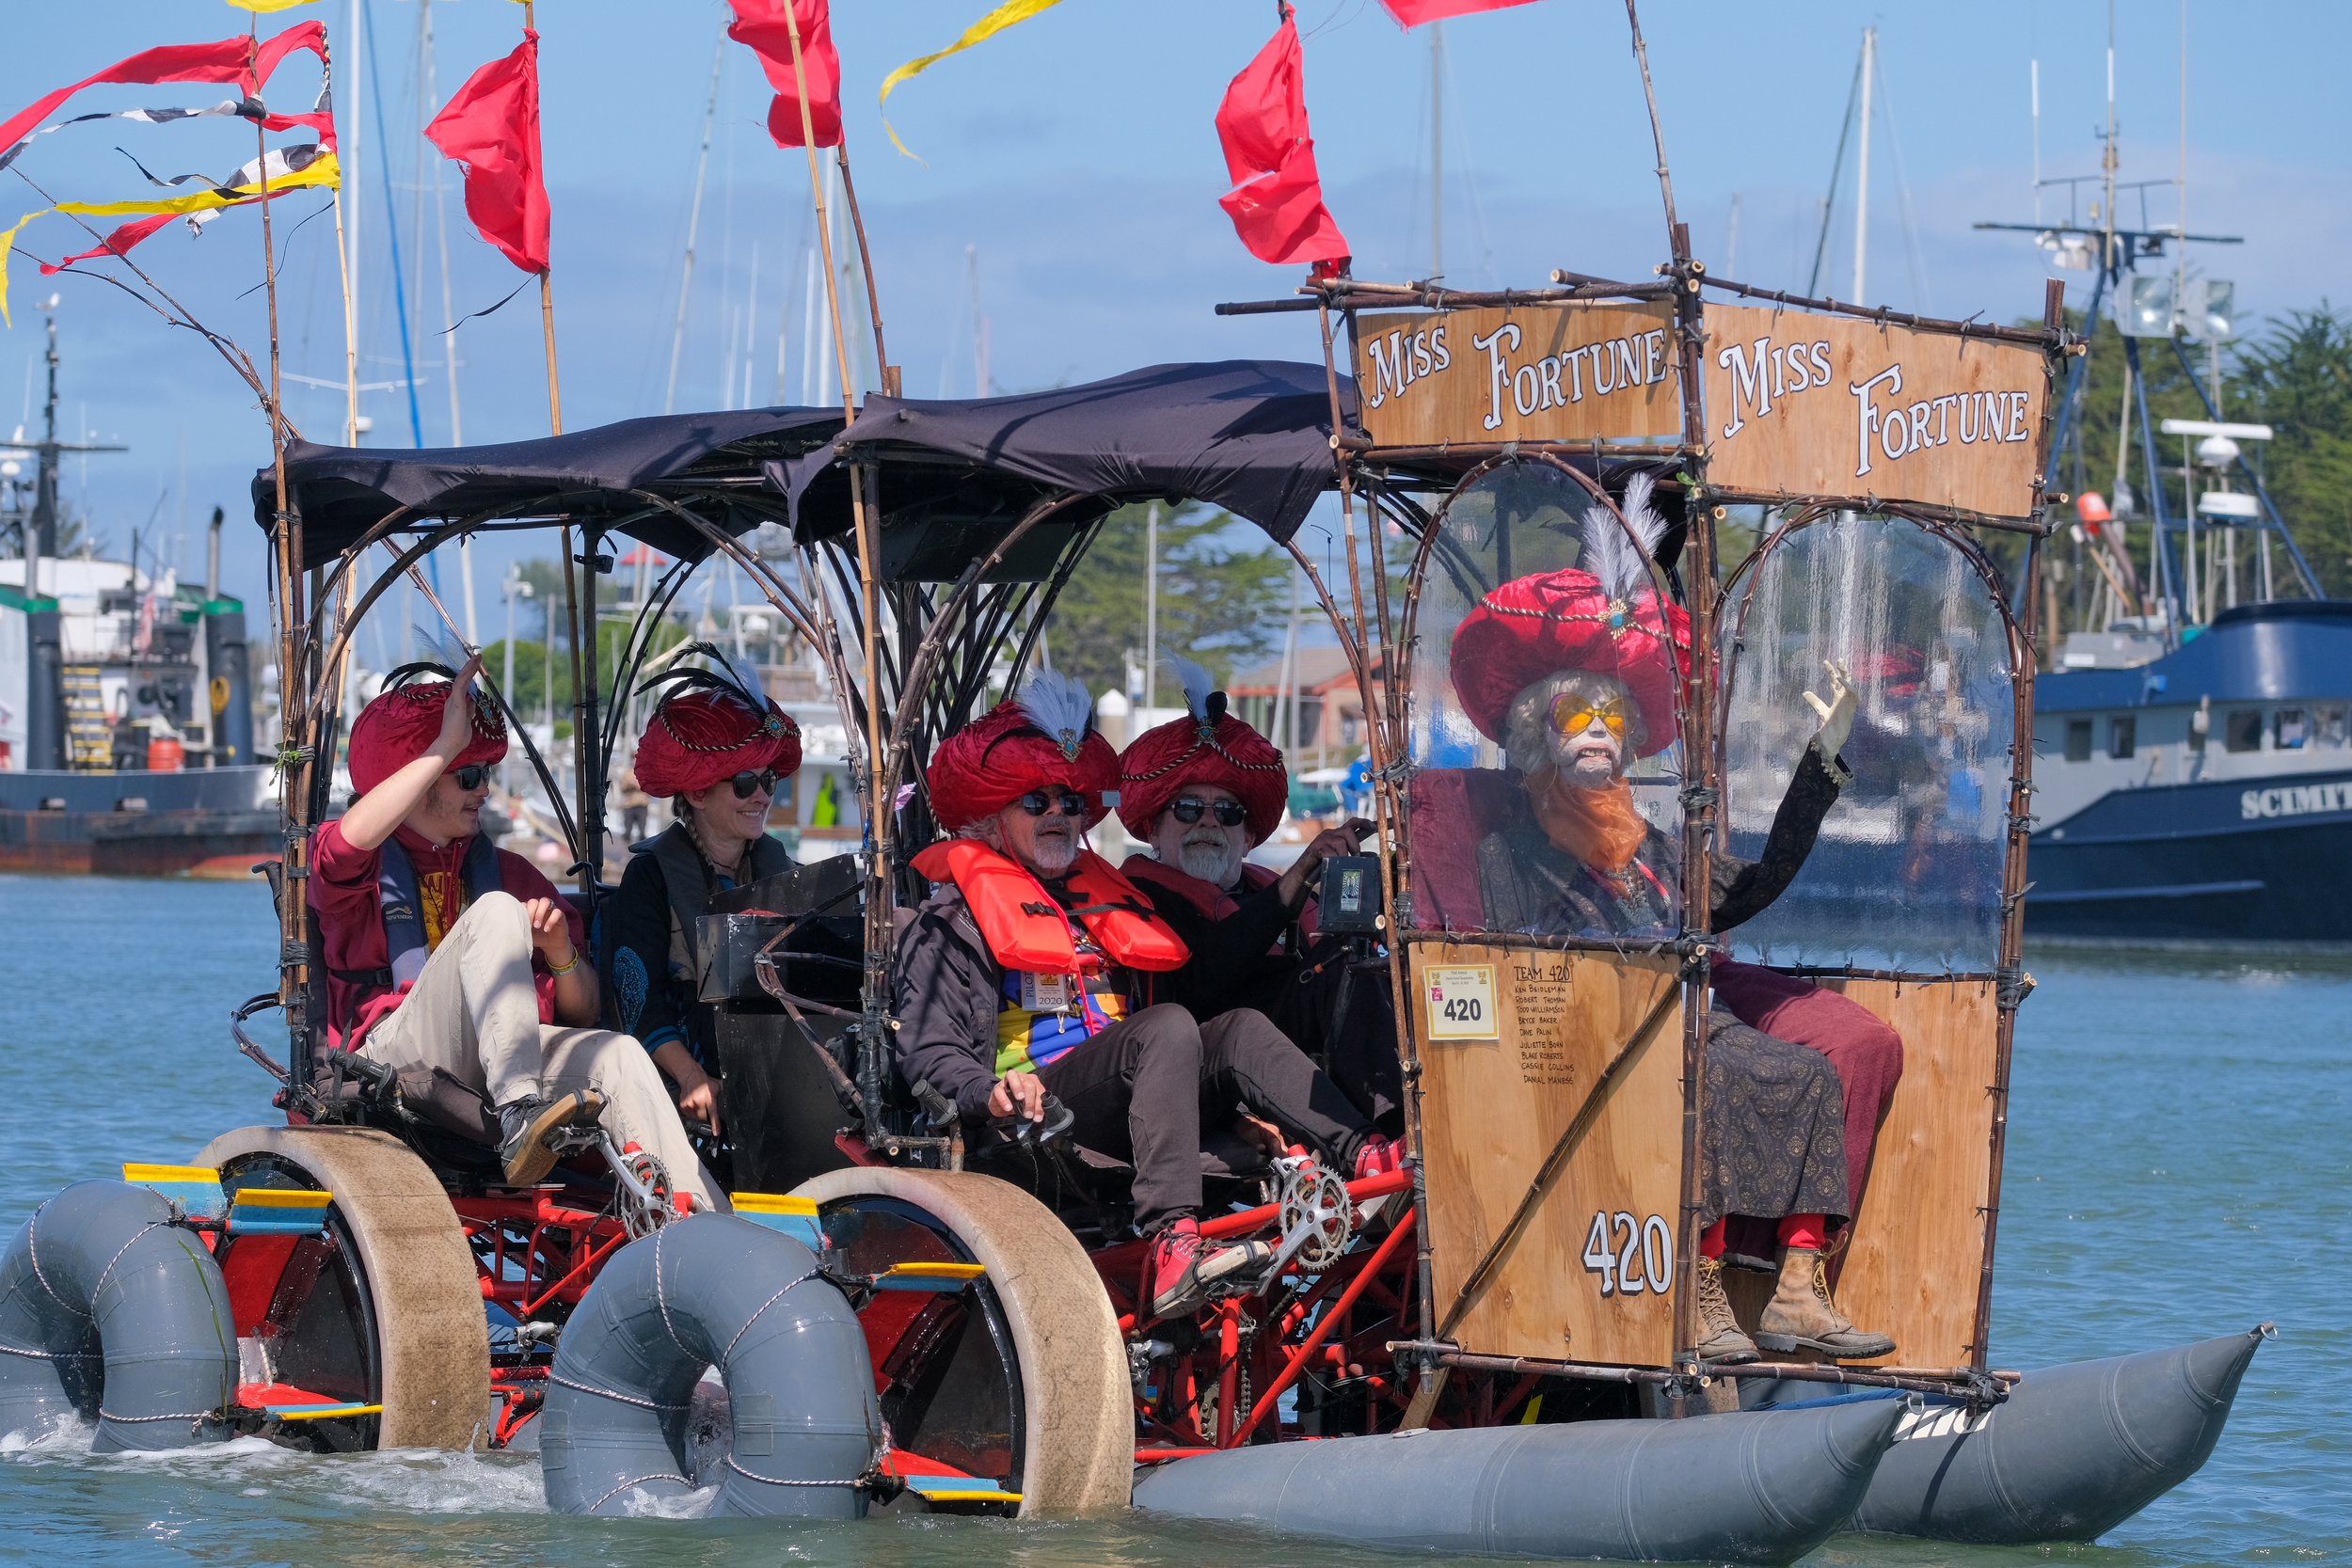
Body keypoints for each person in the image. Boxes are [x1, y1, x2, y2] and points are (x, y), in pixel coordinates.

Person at [1449, 475, 1900, 1362]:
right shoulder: (1514, 848)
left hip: (1686, 1018)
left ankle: (1797, 1291)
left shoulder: (1649, 844)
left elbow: (1755, 884)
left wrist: (1823, 760)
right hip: (1594, 1030)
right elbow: (1521, 958)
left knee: (1803, 1071)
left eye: (1610, 720)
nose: (1598, 734)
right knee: (1712, 1077)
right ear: (1542, 734)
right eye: (1577, 719)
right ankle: (1695, 1286)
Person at [893, 671, 1402, 1323]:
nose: (1059, 815)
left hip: (1130, 1095)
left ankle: (1367, 1157)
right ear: (993, 818)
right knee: (1166, 1024)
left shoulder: (1109, 903)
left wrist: (1238, 1114)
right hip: (1036, 1110)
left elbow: (1195, 1003)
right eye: (1037, 801)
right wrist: (987, 1089)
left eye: (1070, 802)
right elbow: (930, 1053)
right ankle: (1171, 1236)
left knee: (1237, 1025)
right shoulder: (953, 918)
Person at [310, 657, 717, 1208]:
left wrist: (561, 956)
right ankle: (521, 1113)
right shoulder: (361, 873)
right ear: (423, 774)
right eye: (469, 775)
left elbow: (581, 1011)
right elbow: (340, 849)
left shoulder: (512, 871)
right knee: (499, 911)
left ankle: (700, 1225)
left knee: (618, 1054)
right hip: (392, 1051)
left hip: (501, 1058)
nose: (484, 792)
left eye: (486, 775)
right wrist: (444, 746)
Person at [1116, 655, 1401, 1131]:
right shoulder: (1141, 898)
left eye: (1228, 813)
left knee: (1360, 960)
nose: (1209, 821)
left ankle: (1411, 1126)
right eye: (1188, 808)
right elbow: (1202, 977)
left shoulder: (1262, 890)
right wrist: (1302, 870)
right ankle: (1388, 1139)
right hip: (1204, 1074)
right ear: (1152, 829)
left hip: (1303, 1065)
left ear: (1248, 838)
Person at [603, 651, 803, 1139]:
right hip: (683, 1082)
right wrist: (691, 1078)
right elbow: (636, 997)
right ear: (695, 795)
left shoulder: (787, 871)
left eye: (768, 780)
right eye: (744, 783)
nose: (762, 795)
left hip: (781, 1078)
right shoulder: (649, 878)